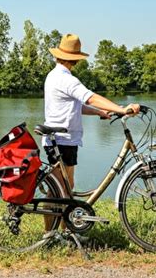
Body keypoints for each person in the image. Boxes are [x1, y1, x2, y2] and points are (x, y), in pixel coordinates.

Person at [43, 33, 140, 199]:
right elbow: (91, 97)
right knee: (60, 190)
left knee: (65, 188)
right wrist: (121, 110)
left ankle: (64, 225)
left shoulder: (53, 76)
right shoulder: (67, 79)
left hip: (59, 138)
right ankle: (53, 226)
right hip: (62, 139)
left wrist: (98, 112)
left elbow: (74, 106)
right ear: (76, 59)